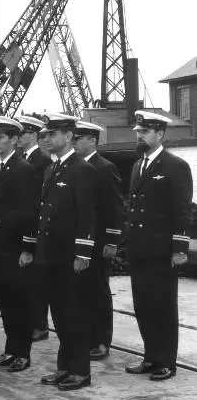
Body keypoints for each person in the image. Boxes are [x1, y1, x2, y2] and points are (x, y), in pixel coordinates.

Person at [20, 112, 97, 391]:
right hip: (50, 254)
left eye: (53, 134)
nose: (47, 139)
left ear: (68, 136)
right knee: (60, 316)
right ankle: (64, 367)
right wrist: (32, 247)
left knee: (75, 315)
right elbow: (42, 213)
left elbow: (87, 215)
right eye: (46, 135)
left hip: (69, 256)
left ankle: (80, 371)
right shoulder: (52, 169)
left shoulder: (82, 169)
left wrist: (83, 254)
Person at [124, 110, 192, 381]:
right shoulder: (137, 166)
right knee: (143, 305)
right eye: (138, 132)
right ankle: (150, 357)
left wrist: (179, 248)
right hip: (139, 248)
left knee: (163, 306)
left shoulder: (175, 166)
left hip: (162, 250)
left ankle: (166, 362)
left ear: (160, 134)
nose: (139, 136)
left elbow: (182, 211)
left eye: (144, 132)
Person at [0, 117, 37, 373]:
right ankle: (10, 349)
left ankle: (22, 353)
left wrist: (28, 247)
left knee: (19, 302)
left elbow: (29, 212)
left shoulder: (23, 169)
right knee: (6, 301)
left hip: (15, 247)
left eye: (1, 137)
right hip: (0, 246)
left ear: (14, 140)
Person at [72, 121, 123, 361]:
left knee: (98, 291)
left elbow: (114, 206)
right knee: (80, 292)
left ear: (92, 140)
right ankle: (86, 337)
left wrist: (111, 240)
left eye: (78, 138)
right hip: (80, 240)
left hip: (99, 240)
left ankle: (102, 340)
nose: (74, 142)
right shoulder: (75, 166)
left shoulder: (104, 167)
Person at [15, 114, 54, 343]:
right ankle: (31, 321)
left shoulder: (41, 161)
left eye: (23, 134)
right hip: (23, 226)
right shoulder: (23, 158)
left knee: (35, 281)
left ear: (33, 135)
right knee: (25, 281)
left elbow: (37, 200)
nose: (19, 138)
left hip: (35, 228)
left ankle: (39, 325)